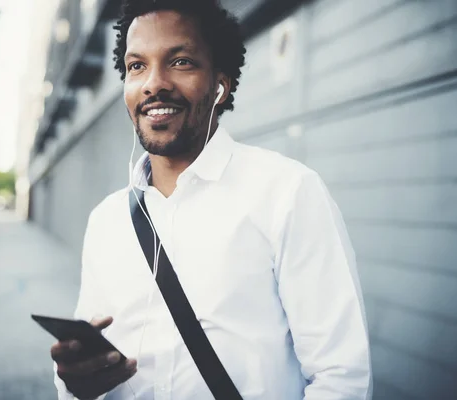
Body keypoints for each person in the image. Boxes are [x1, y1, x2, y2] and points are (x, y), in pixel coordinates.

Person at [50, 0, 372, 399]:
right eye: (137, 66)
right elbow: (85, 370)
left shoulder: (287, 192)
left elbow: (341, 378)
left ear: (221, 84)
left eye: (180, 62)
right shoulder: (106, 220)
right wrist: (75, 384)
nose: (153, 83)